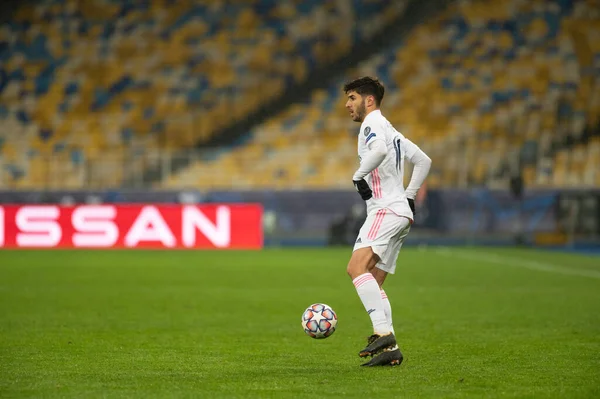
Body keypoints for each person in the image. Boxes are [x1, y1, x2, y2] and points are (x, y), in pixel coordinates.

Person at [344, 76, 432, 367]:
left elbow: (379, 152)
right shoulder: (391, 129)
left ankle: (382, 332)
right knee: (375, 281)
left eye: (352, 98)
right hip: (400, 213)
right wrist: (409, 197)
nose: (348, 105)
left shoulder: (372, 123)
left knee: (356, 267)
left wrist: (358, 176)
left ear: (369, 100)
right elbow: (423, 161)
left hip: (384, 209)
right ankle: (390, 349)